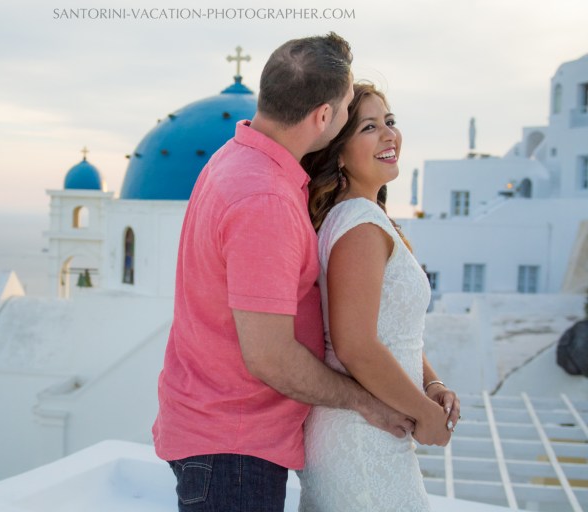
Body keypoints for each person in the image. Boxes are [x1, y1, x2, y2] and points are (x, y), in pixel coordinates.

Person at [153, 33, 420, 512]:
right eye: (344, 114)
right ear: (323, 117)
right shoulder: (266, 200)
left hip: (220, 439)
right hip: (232, 452)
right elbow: (270, 357)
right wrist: (364, 401)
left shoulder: (234, 159)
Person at [297, 82, 461, 511]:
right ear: (338, 152)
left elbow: (393, 328)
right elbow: (356, 346)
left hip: (369, 430)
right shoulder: (360, 226)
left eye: (390, 121)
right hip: (361, 439)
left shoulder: (361, 219)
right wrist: (426, 416)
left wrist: (431, 384)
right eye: (370, 127)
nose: (389, 135)